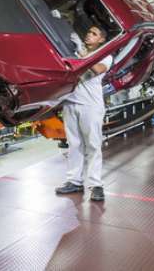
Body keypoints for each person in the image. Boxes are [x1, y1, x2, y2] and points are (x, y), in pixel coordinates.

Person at [55, 25, 113, 201]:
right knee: (74, 145)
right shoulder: (77, 53)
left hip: (91, 107)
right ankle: (74, 181)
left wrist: (81, 51)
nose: (89, 35)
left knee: (93, 145)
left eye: (94, 34)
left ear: (101, 40)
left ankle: (96, 185)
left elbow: (97, 69)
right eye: (88, 32)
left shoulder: (106, 56)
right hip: (71, 103)